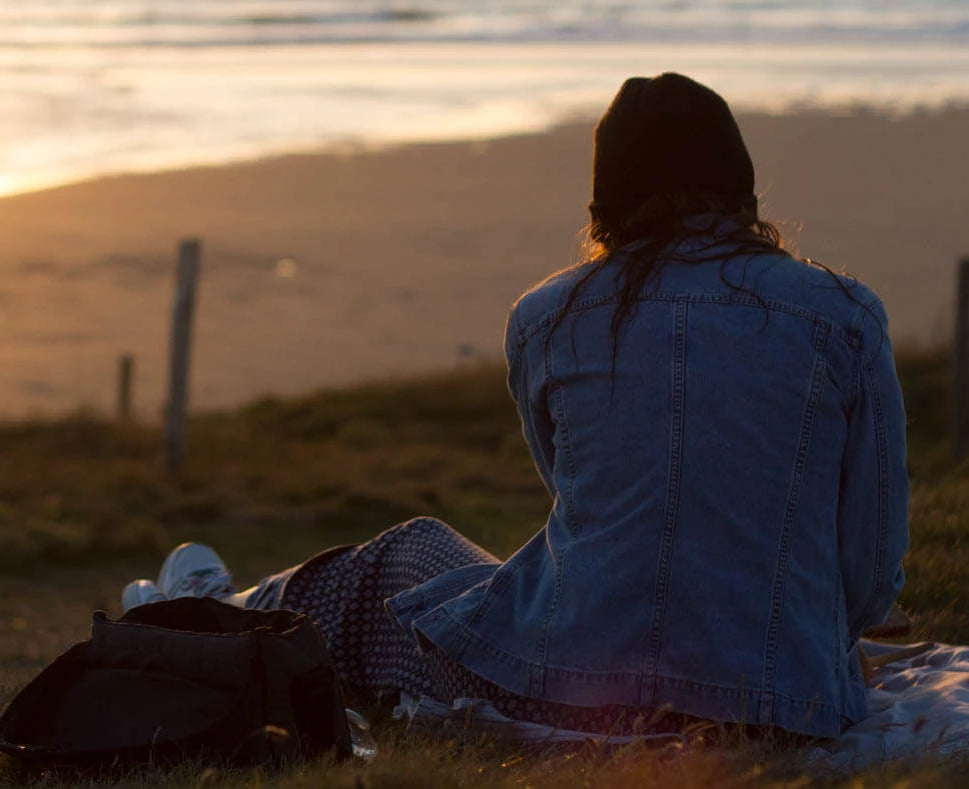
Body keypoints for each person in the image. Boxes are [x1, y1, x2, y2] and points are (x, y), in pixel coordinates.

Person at [124, 73, 909, 740]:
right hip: (788, 703)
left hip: (568, 692)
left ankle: (208, 614)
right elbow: (869, 565)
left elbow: (572, 498)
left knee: (407, 555)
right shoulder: (839, 312)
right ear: (739, 186)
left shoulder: (550, 315)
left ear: (607, 194)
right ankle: (212, 609)